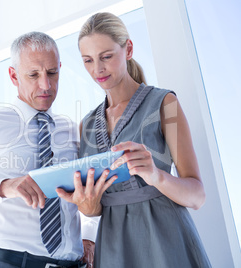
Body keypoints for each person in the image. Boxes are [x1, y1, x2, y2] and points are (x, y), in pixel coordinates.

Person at [56, 12, 211, 267]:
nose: (98, 69)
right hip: (113, 246)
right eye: (88, 60)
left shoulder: (165, 104)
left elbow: (197, 196)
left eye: (106, 56)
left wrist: (156, 175)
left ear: (128, 49)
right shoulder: (86, 124)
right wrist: (86, 204)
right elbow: (93, 209)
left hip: (166, 239)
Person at [0, 31, 99, 268]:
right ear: (14, 76)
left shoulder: (71, 130)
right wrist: (4, 187)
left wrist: (89, 235)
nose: (45, 85)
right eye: (33, 75)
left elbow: (91, 191)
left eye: (52, 73)